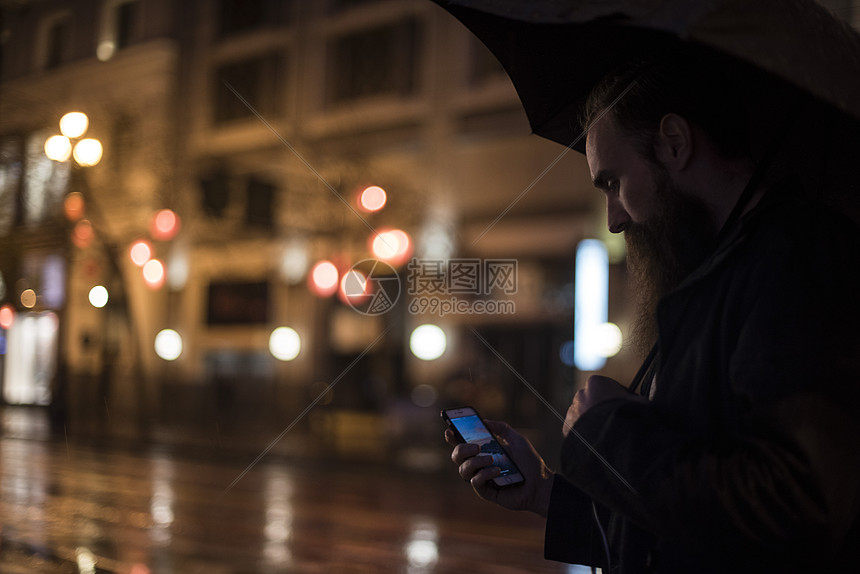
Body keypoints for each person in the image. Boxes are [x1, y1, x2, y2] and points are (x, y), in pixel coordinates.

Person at [446, 52, 860, 573]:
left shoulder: (797, 260)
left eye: (613, 183)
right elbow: (685, 526)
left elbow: (794, 512)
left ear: (674, 142)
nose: (614, 219)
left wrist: (610, 432)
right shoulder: (716, 273)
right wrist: (547, 495)